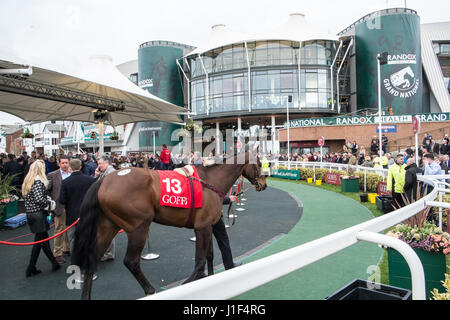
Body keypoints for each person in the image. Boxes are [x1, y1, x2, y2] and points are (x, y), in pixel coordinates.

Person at [23, 160, 61, 277]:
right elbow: (40, 199)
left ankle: (52, 263)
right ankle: (30, 268)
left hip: (31, 214)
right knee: (39, 242)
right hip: (39, 215)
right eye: (43, 167)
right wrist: (50, 204)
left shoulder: (28, 181)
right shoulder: (38, 182)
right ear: (40, 169)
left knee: (43, 241)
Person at [195, 195, 242, 280]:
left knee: (203, 243)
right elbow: (210, 196)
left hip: (202, 214)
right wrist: (228, 199)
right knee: (223, 241)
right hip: (211, 214)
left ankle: (199, 272)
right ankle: (229, 266)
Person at [59, 158, 95, 253]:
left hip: (72, 215)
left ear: (70, 168)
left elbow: (62, 200)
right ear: (81, 167)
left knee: (73, 239)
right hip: (87, 213)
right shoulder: (90, 180)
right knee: (88, 238)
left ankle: (75, 260)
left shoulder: (65, 182)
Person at [47, 155, 71, 263]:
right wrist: (51, 205)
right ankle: (57, 253)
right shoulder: (52, 175)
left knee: (69, 228)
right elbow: (47, 190)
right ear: (59, 164)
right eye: (63, 163)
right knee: (59, 229)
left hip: (71, 206)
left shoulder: (72, 173)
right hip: (59, 206)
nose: (65, 165)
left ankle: (67, 248)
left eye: (67, 162)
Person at [95, 155, 116, 261]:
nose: (98, 166)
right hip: (106, 205)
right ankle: (107, 252)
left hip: (109, 205)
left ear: (106, 163)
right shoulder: (104, 173)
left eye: (99, 163)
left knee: (108, 229)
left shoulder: (110, 173)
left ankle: (109, 253)